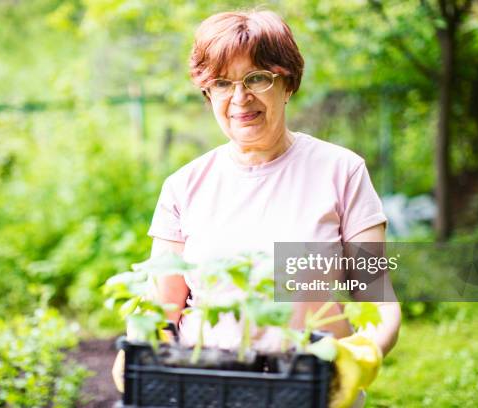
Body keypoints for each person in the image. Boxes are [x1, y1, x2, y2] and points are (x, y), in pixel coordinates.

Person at [113, 10, 400, 408]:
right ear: (207, 94)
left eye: (257, 78)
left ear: (288, 84)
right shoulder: (184, 185)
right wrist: (141, 352)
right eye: (221, 83)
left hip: (311, 387)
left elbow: (377, 302)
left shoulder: (341, 171)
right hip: (205, 390)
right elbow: (162, 306)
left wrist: (358, 357)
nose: (239, 98)